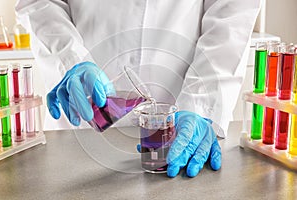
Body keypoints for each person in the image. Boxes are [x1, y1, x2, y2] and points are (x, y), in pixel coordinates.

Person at [15, 0, 261, 178]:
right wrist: (69, 60)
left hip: (177, 115)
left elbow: (232, 17)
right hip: (80, 119)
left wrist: (200, 105)